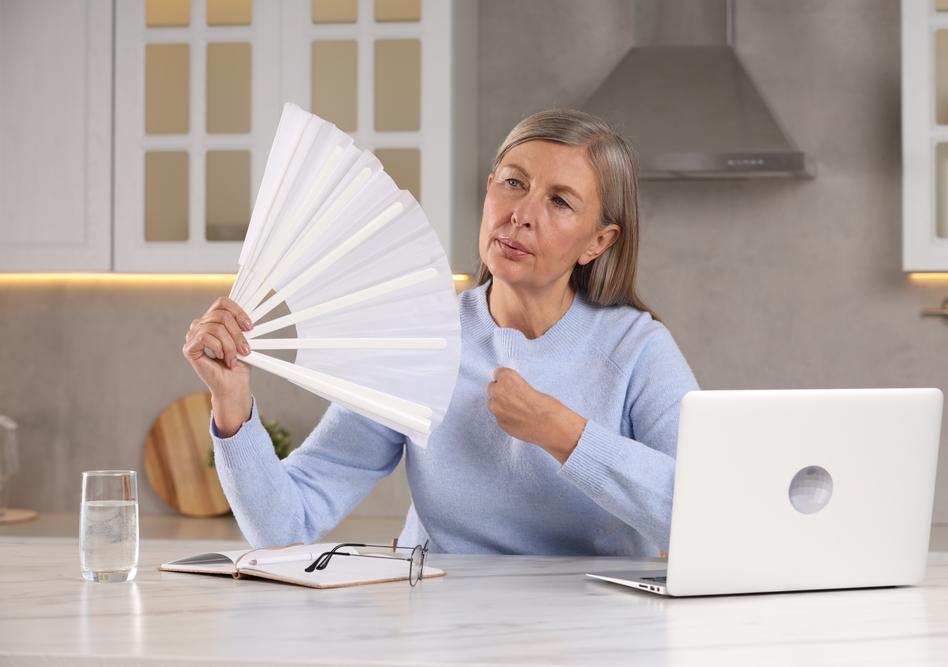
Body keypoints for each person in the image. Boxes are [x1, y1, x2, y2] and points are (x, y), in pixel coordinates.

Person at [183, 109, 699, 555]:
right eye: (513, 182)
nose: (520, 214)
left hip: (601, 630)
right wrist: (232, 403)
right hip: (442, 625)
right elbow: (284, 527)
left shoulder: (637, 349)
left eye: (560, 201)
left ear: (599, 241)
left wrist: (565, 435)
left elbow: (705, 517)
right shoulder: (419, 341)